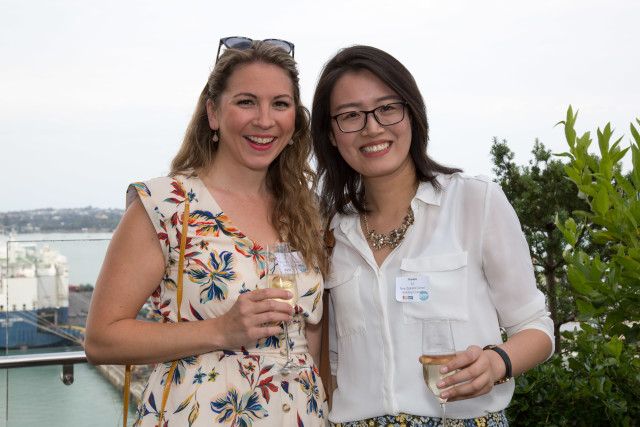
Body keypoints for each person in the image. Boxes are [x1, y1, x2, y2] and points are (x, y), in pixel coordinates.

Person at [85, 38, 328, 426]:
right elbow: (101, 340)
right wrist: (219, 330)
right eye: (246, 102)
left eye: (280, 104)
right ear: (213, 113)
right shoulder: (167, 205)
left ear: (295, 120)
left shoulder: (305, 213)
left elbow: (309, 335)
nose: (265, 120)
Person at [311, 45, 554, 426]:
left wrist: (496, 363)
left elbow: (536, 326)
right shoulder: (328, 229)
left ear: (412, 113)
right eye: (351, 115)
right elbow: (333, 361)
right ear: (330, 133)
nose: (372, 127)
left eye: (387, 108)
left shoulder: (475, 201)